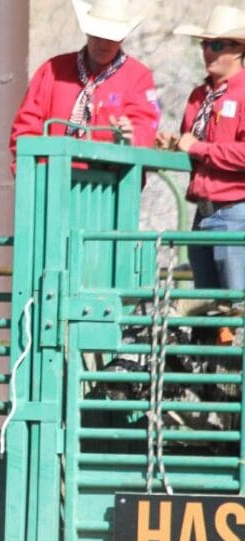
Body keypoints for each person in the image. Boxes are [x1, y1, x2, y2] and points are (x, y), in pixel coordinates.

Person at [157, 6, 245, 345]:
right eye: (205, 44)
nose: (208, 51)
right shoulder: (199, 96)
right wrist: (173, 146)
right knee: (208, 309)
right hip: (205, 212)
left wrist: (197, 148)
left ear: (238, 50)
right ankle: (211, 370)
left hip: (235, 211)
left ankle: (233, 372)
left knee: (235, 306)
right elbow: (192, 143)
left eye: (217, 45)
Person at [9, 0, 161, 165]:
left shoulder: (138, 77)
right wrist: (34, 171)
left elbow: (145, 127)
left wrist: (130, 138)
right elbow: (25, 127)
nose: (103, 45)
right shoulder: (53, 70)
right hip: (51, 174)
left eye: (110, 38)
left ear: (122, 38)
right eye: (97, 36)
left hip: (109, 178)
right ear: (87, 32)